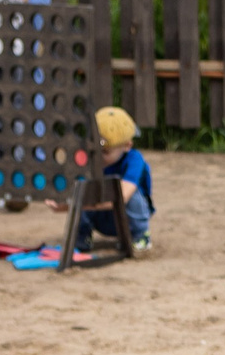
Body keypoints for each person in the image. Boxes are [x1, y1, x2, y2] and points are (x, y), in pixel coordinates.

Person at [49, 106, 153, 253]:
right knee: (84, 187)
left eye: (104, 152)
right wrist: (61, 198)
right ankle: (82, 237)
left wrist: (70, 206)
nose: (98, 156)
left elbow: (121, 197)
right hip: (101, 217)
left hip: (128, 218)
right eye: (95, 150)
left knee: (128, 193)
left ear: (127, 146)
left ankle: (140, 235)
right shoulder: (88, 160)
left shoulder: (134, 160)